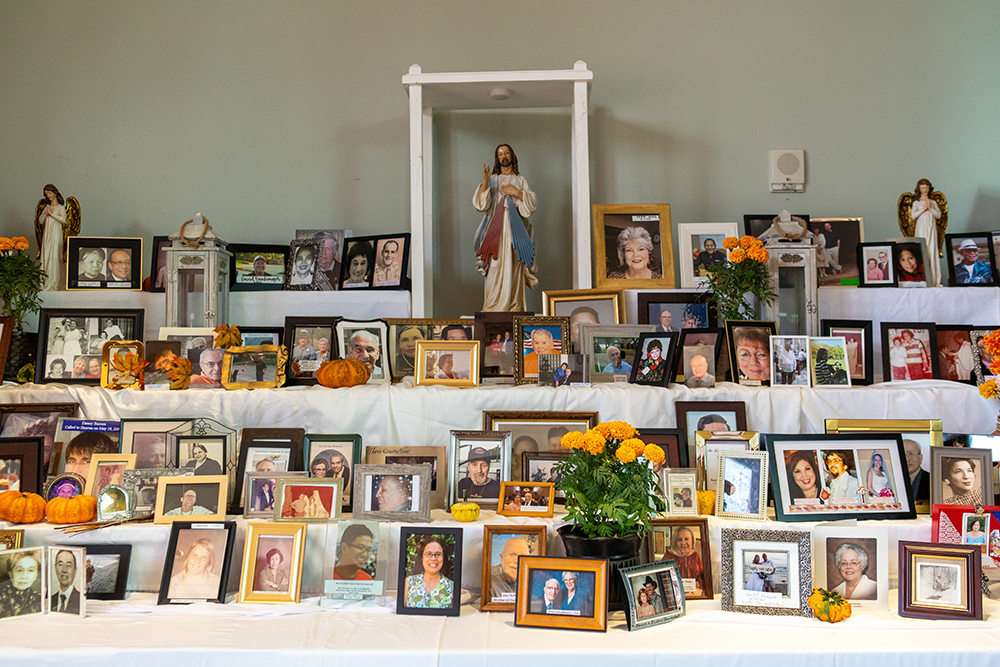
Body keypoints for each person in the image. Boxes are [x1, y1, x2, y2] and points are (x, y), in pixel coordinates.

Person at [473, 143, 538, 312]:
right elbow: (481, 205)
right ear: (497, 158)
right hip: (495, 231)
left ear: (512, 156)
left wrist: (517, 193)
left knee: (515, 265)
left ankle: (514, 305)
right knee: (494, 266)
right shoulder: (493, 180)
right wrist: (486, 181)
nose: (504, 156)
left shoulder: (520, 180)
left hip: (516, 230)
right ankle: (493, 306)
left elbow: (530, 203)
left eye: (507, 152)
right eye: (500, 153)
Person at [404, 537, 453, 608]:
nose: (433, 558)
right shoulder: (409, 582)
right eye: (428, 554)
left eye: (438, 554)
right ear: (421, 558)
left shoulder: (451, 587)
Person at [910, 178, 942, 287]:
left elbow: (938, 215)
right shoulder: (916, 202)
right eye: (923, 188)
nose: (925, 189)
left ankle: (934, 280)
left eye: (927, 187)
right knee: (923, 250)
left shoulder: (933, 202)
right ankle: (922, 279)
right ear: (919, 189)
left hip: (931, 228)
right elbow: (913, 216)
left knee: (932, 251)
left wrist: (930, 208)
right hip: (921, 228)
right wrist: (924, 209)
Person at [37, 185, 68, 291]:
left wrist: (52, 214)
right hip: (47, 235)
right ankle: (45, 282)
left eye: (50, 193)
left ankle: (55, 282)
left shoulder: (60, 208)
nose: (48, 196)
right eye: (46, 194)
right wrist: (46, 213)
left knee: (55, 256)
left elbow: (63, 220)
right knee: (46, 255)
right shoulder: (47, 207)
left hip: (55, 234)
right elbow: (40, 221)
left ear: (55, 193)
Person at [0, 551, 41, 618]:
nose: (24, 576)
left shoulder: (40, 599)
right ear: (11, 574)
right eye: (19, 570)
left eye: (30, 570)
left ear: (36, 575)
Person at [665, 527, 704, 596]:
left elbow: (702, 577)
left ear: (692, 540)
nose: (683, 543)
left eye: (686, 539)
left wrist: (698, 584)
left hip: (693, 594)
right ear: (675, 542)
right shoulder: (669, 556)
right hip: (674, 595)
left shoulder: (695, 556)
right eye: (680, 540)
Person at [490, 536, 530, 601]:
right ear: (501, 558)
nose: (517, 561)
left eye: (522, 556)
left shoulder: (531, 579)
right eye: (512, 554)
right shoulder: (488, 579)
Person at [50, 549, 81, 614]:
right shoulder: (51, 600)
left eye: (68, 566)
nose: (64, 570)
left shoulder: (80, 600)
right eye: (60, 564)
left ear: (75, 570)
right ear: (55, 568)